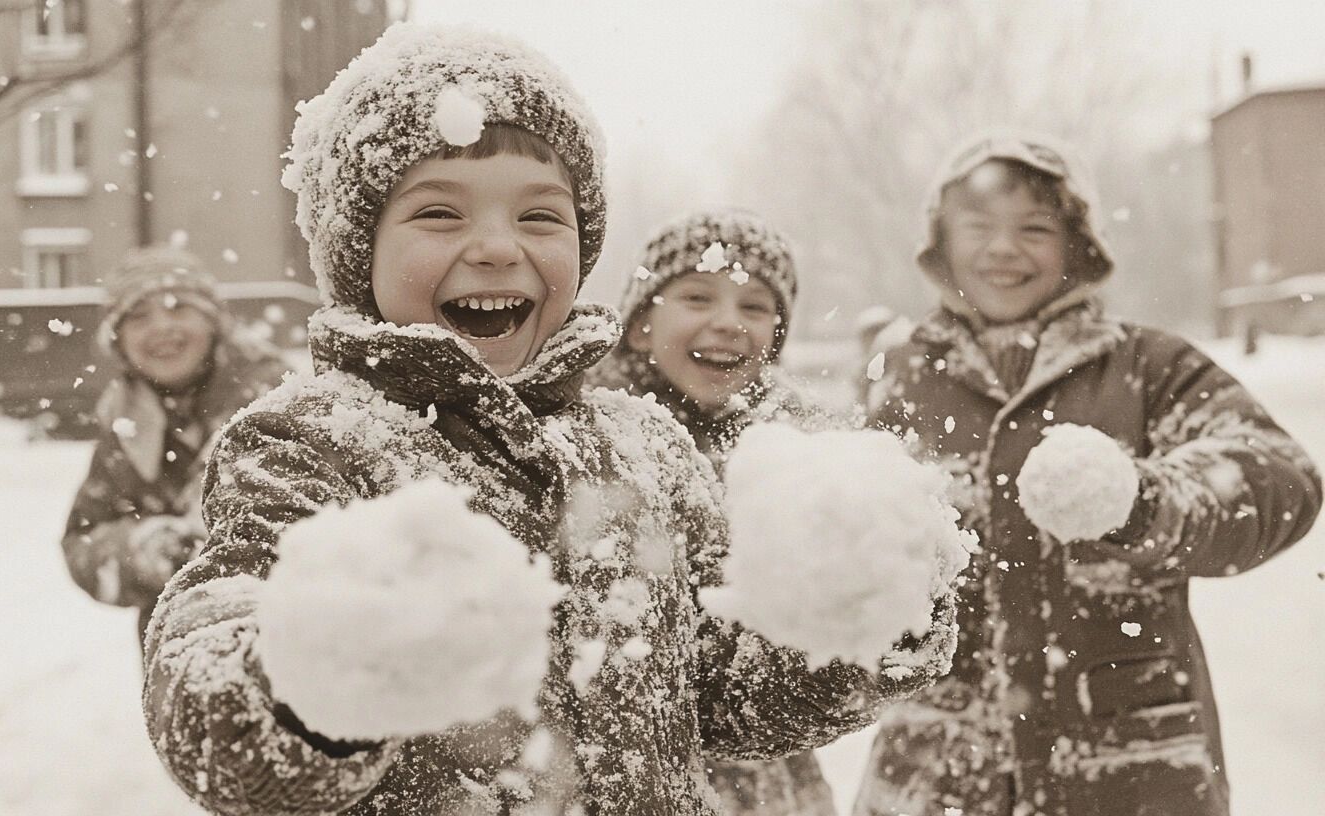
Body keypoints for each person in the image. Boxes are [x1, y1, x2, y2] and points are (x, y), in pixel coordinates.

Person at [141, 25, 957, 814]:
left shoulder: (647, 450)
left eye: (538, 217)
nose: (498, 246)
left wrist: (863, 615)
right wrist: (306, 675)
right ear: (361, 250)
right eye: (439, 214)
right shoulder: (310, 444)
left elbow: (726, 694)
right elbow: (207, 683)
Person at [853, 131, 1322, 816]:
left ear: (1079, 246)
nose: (1004, 250)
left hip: (1128, 772)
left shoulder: (1147, 367)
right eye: (978, 227)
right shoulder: (904, 381)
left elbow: (1279, 475)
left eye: (1035, 229)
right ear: (940, 244)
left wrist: (1142, 500)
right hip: (937, 776)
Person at [589, 208, 839, 816]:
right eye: (698, 297)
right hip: (617, 769)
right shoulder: (591, 438)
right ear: (641, 325)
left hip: (767, 773)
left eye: (754, 307)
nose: (728, 323)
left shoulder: (799, 449)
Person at [60, 245, 286, 647]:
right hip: (177, 658)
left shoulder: (277, 400)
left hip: (285, 640)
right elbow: (83, 538)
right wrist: (142, 550)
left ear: (214, 322)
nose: (162, 327)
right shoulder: (125, 427)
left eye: (179, 307)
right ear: (119, 340)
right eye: (139, 317)